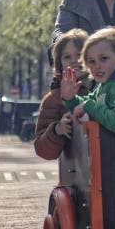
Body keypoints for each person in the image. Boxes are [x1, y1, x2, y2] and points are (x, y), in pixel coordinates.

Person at [34, 29, 91, 159]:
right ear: (59, 64)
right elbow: (42, 150)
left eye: (79, 54)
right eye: (67, 57)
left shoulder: (106, 88)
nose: (74, 60)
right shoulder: (53, 100)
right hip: (75, 174)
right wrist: (57, 130)